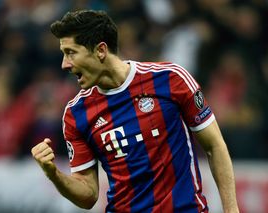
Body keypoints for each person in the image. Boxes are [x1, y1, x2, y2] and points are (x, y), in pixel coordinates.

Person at [31, 10, 239, 213]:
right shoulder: (76, 114)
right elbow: (88, 196)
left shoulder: (170, 79)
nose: (64, 64)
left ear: (101, 50)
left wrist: (231, 209)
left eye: (71, 53)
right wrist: (53, 173)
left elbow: (214, 146)